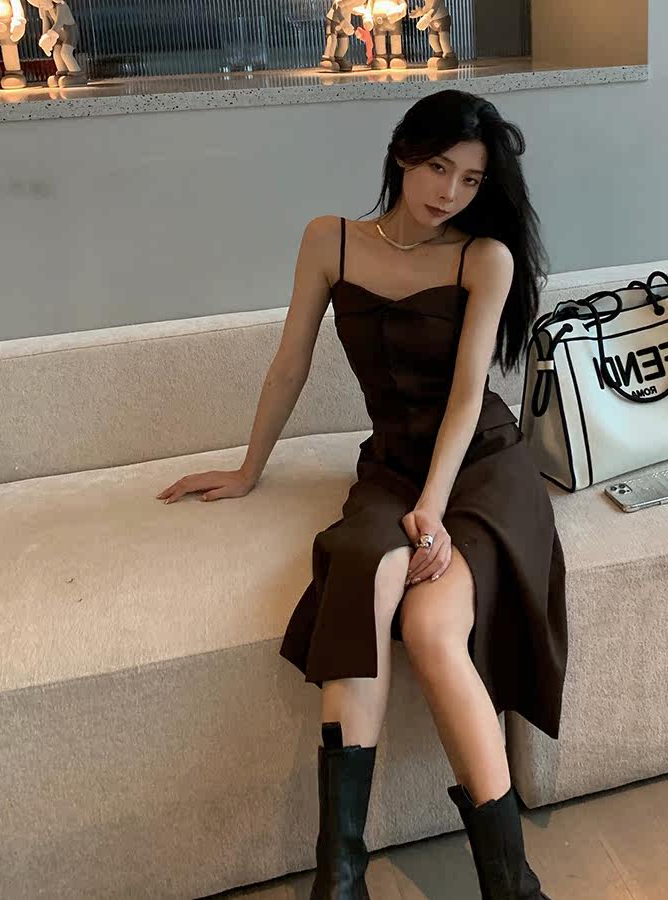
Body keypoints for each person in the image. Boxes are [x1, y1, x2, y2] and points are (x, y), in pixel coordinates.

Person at [156, 89, 567, 900]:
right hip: (391, 465)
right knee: (359, 570)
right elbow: (290, 364)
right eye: (438, 167)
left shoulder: (483, 258)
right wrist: (248, 469)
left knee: (431, 627)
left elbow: (466, 396)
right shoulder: (330, 240)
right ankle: (340, 878)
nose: (449, 192)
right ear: (403, 152)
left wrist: (433, 510)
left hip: (479, 466)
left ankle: (511, 886)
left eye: (471, 179)